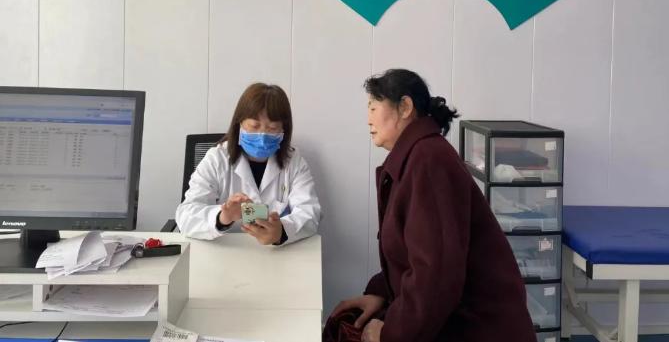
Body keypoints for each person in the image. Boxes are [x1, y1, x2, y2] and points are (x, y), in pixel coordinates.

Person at [324, 69, 536, 342]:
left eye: (374, 107)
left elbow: (437, 276)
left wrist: (390, 334)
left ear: (405, 107)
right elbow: (412, 257)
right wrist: (380, 293)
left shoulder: (428, 161)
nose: (368, 119)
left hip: (479, 329)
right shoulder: (416, 157)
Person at [175, 83, 321, 246]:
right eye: (254, 126)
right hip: (226, 251)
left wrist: (282, 232)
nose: (262, 136)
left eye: (272, 128)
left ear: (283, 130)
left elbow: (310, 213)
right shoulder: (216, 159)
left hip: (276, 254)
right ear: (239, 124)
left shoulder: (294, 162)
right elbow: (185, 216)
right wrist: (222, 218)